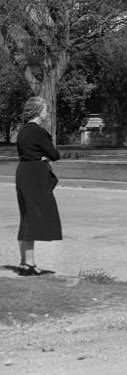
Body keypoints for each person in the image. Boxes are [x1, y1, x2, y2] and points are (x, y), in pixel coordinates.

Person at [15, 95, 62, 276]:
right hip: (35, 175)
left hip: (23, 172)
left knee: (26, 216)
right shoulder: (38, 132)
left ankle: (24, 262)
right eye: (45, 109)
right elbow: (54, 154)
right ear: (38, 111)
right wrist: (44, 157)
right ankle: (30, 263)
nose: (46, 112)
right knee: (34, 217)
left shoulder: (23, 131)